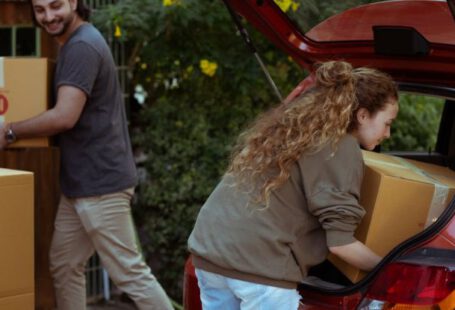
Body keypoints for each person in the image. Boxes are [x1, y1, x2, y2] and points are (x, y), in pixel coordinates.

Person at [0, 0, 173, 309]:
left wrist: (10, 130)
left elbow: (65, 115)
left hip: (101, 185)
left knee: (130, 274)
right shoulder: (75, 43)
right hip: (80, 184)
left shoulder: (82, 47)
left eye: (55, 6)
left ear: (74, 2)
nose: (48, 16)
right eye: (40, 10)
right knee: (64, 264)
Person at [187, 60, 399, 310]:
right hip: (258, 268)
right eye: (387, 122)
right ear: (363, 115)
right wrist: (392, 269)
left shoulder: (293, 131)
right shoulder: (340, 147)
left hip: (210, 253)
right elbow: (341, 244)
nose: (387, 133)